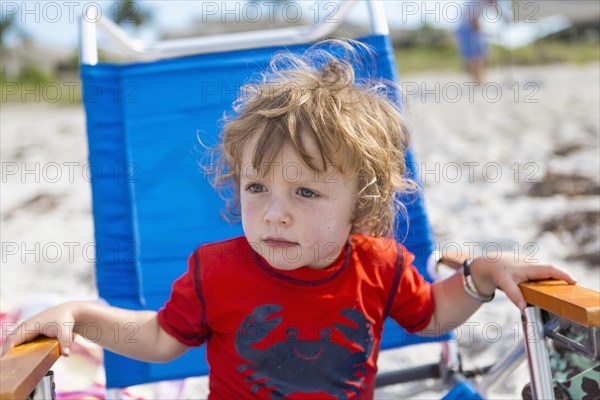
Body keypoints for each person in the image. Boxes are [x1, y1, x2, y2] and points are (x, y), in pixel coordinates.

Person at [2, 40, 575, 399]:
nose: (275, 212)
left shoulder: (381, 264)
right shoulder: (215, 271)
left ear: (362, 201)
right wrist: (78, 313)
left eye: (305, 191)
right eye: (257, 187)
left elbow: (429, 317)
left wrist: (478, 278)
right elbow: (156, 339)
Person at [455, 0, 499, 83]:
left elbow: (495, 9)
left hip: (466, 28)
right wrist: (483, 32)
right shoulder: (478, 2)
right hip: (467, 29)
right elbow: (473, 20)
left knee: (475, 55)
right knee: (477, 55)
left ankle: (478, 80)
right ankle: (478, 80)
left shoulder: (481, 3)